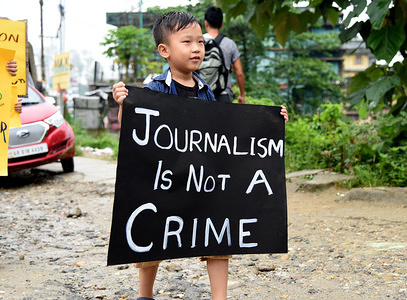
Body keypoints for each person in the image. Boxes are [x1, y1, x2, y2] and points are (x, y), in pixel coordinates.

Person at [113, 11, 288, 300]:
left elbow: (230, 135)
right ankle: (145, 295)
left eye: (200, 42)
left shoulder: (208, 94)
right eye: (187, 42)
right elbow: (135, 132)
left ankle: (219, 297)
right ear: (164, 50)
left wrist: (271, 121)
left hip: (202, 183)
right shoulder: (153, 90)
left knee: (220, 229)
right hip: (165, 182)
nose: (197, 48)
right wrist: (124, 104)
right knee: (150, 232)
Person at [203, 6, 245, 104]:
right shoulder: (230, 44)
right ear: (221, 24)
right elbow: (239, 72)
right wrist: (242, 95)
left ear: (206, 23)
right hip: (223, 94)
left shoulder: (198, 42)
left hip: (202, 94)